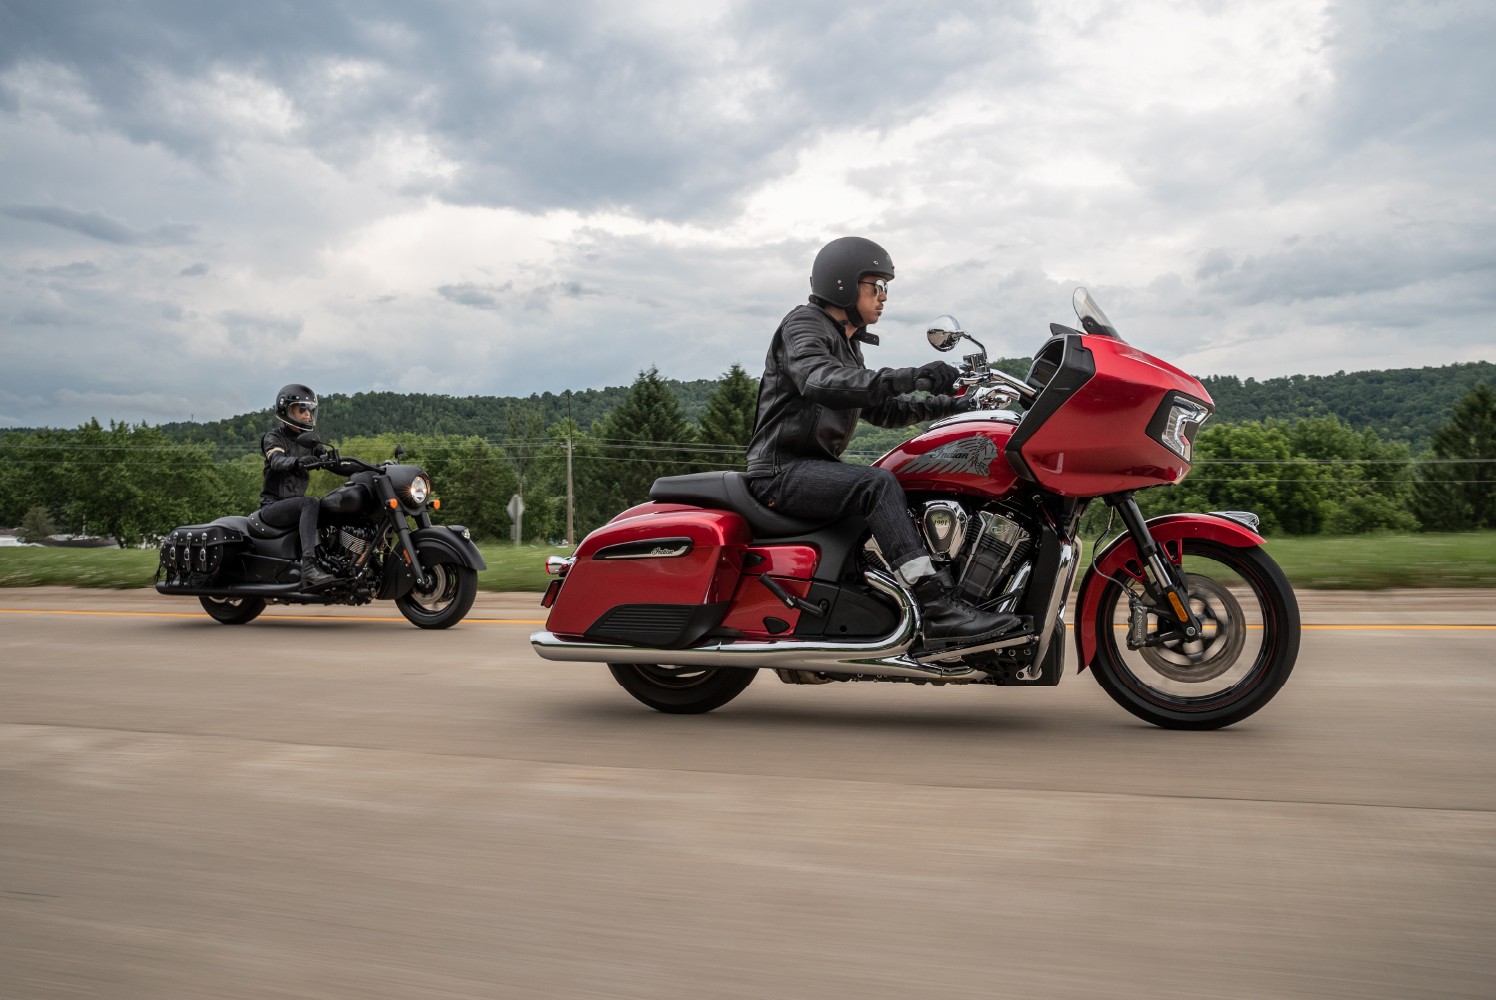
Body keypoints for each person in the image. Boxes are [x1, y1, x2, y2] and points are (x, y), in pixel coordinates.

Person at [744, 237, 1020, 653]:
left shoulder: (847, 342)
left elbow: (884, 410)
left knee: (904, 485)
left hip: (811, 468)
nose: (884, 296)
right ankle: (939, 608)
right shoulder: (803, 325)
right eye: (876, 286)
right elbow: (820, 379)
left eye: (885, 287)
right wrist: (914, 375)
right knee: (876, 484)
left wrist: (958, 405)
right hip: (781, 471)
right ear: (842, 283)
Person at [259, 384, 337, 589]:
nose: (307, 414)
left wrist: (370, 468)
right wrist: (297, 462)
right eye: (302, 409)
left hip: (294, 506)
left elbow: (332, 463)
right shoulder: (273, 437)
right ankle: (309, 566)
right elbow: (277, 461)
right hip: (273, 505)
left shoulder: (309, 441)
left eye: (310, 410)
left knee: (332, 506)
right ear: (286, 410)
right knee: (310, 503)